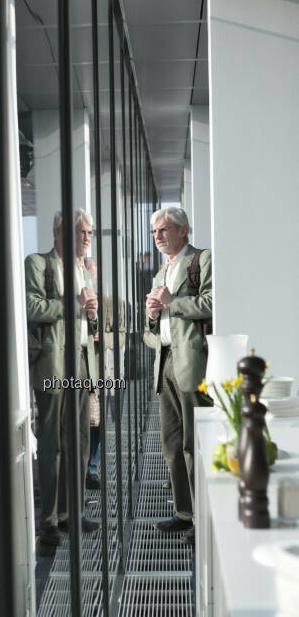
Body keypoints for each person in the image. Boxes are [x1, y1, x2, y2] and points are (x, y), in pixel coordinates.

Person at [25, 209, 101, 548]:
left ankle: (73, 513)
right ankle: (49, 522)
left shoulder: (84, 270)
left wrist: (92, 315)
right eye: (81, 232)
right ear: (59, 233)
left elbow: (87, 319)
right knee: (52, 444)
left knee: (80, 441)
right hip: (53, 363)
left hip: (81, 362)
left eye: (89, 233)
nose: (86, 238)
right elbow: (32, 307)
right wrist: (74, 302)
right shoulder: (38, 264)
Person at [145, 207, 212, 546]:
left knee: (192, 444)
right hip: (165, 360)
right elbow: (152, 332)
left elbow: (213, 303)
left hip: (193, 361)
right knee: (171, 444)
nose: (158, 236)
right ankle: (184, 512)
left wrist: (173, 302)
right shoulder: (161, 272)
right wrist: (152, 315)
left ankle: (202, 518)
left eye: (164, 229)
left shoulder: (202, 260)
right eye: (154, 232)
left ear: (183, 230)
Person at [83, 258, 125, 490]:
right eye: (85, 271)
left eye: (92, 272)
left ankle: (92, 468)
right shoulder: (71, 302)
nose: (89, 276)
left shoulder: (112, 303)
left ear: (97, 275)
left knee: (96, 423)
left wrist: (102, 337)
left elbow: (122, 336)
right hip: (77, 372)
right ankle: (81, 468)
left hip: (102, 372)